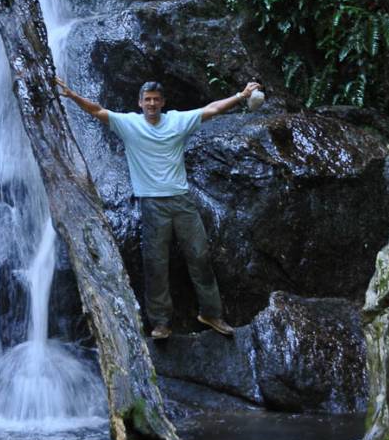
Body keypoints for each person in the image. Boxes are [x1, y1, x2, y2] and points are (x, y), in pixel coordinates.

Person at [54, 77, 262, 340]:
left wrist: (242, 95)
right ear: (140, 103)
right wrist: (72, 95)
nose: (151, 103)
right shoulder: (128, 124)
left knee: (200, 256)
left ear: (163, 103)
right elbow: (97, 110)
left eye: (156, 99)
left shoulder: (176, 120)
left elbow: (213, 109)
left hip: (182, 201)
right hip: (151, 203)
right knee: (155, 264)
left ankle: (211, 313)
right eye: (147, 99)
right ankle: (161, 323)